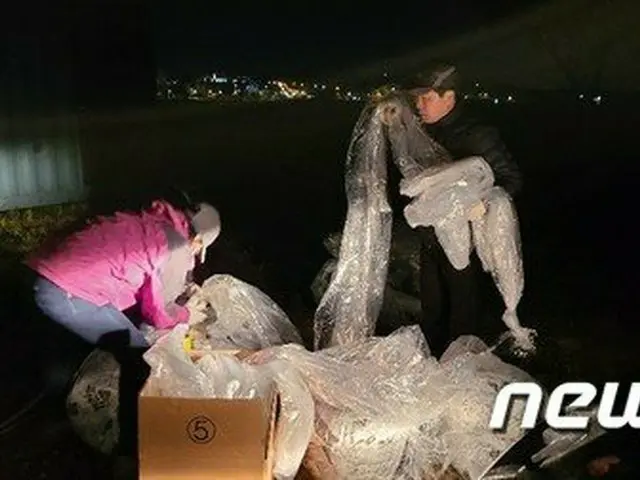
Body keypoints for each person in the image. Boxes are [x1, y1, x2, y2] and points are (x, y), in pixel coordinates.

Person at [24, 197, 221, 473]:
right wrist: (188, 314)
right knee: (139, 360)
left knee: (76, 350)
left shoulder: (153, 223)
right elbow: (159, 315)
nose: (195, 256)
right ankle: (129, 451)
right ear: (197, 240)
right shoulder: (177, 245)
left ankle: (57, 419)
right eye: (198, 250)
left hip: (46, 276)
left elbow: (139, 276)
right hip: (66, 293)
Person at [402, 63, 523, 357]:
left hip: (464, 242)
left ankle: (463, 364)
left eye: (426, 98)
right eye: (416, 99)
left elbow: (511, 178)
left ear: (449, 97)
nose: (419, 105)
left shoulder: (476, 134)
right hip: (431, 237)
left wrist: (483, 204)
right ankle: (432, 365)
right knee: (432, 307)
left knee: (462, 311)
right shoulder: (423, 131)